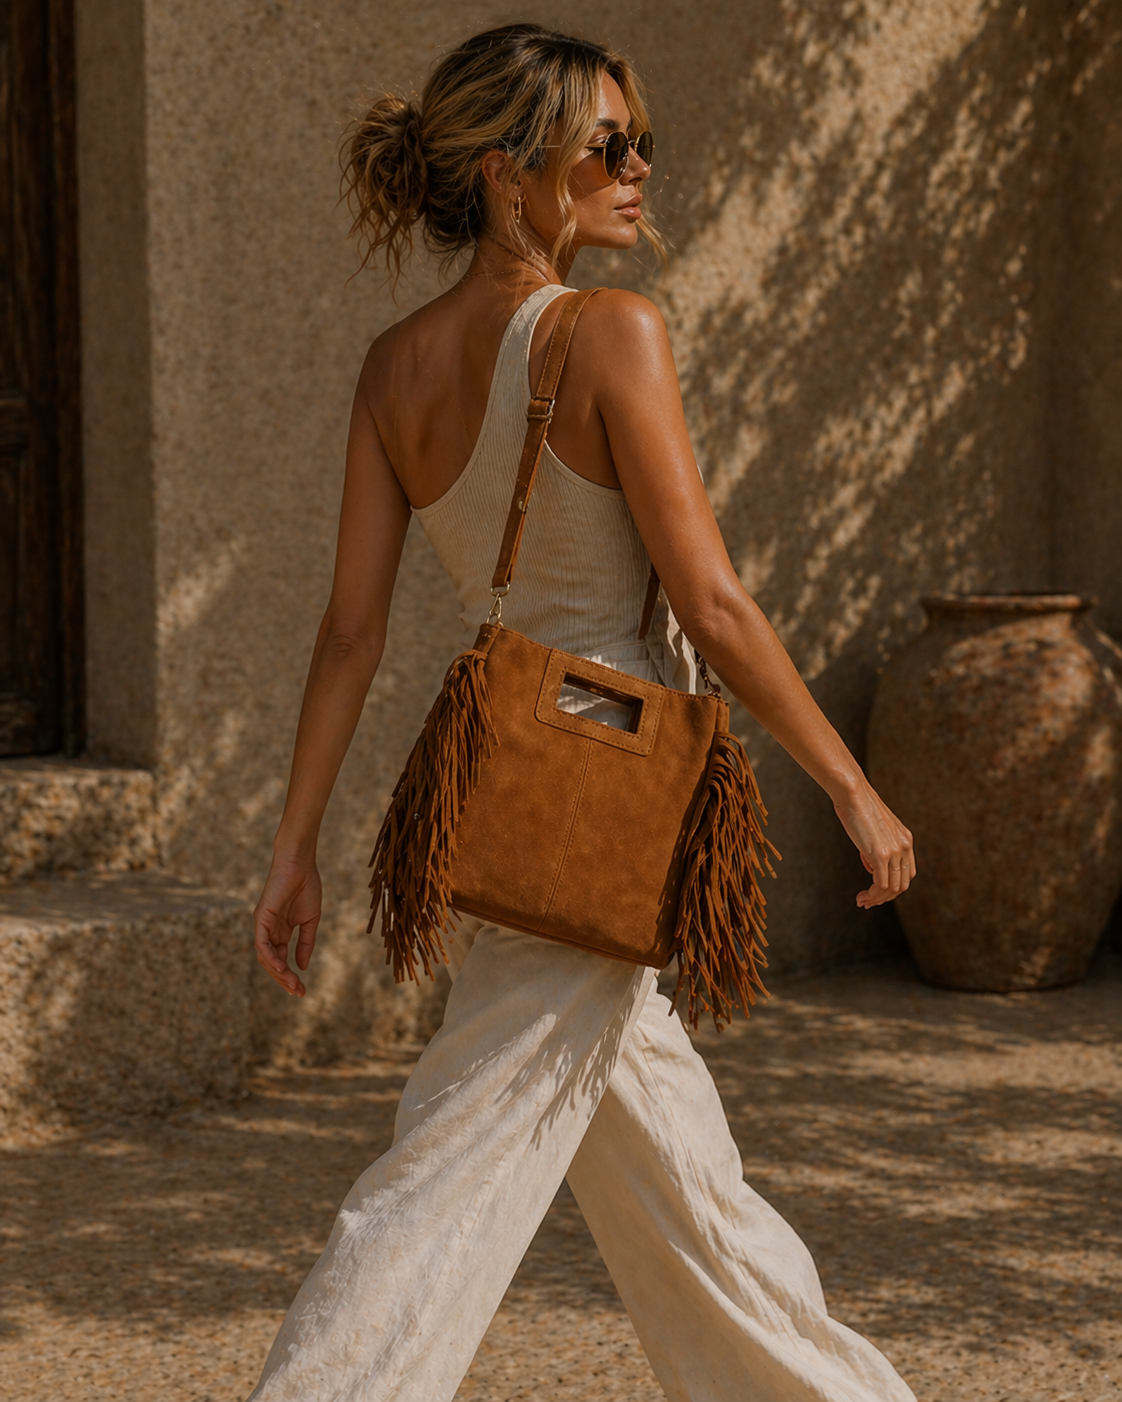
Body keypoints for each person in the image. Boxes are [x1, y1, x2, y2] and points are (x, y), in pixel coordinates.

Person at [249, 23, 917, 1402]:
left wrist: (294, 844)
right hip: (607, 788)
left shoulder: (394, 366)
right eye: (607, 146)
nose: (637, 169)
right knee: (447, 1167)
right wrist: (851, 786)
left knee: (686, 1187)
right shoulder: (611, 331)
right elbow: (711, 604)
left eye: (640, 142)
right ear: (509, 172)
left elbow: (351, 632)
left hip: (511, 771)